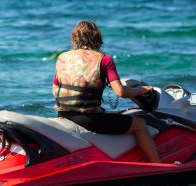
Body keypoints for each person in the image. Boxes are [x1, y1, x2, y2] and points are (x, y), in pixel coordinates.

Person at [53, 20, 161, 163]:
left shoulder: (62, 58)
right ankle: (158, 166)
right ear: (97, 37)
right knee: (140, 124)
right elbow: (121, 92)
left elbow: (55, 91)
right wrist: (140, 90)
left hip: (64, 114)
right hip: (88, 119)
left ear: (75, 38)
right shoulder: (104, 60)